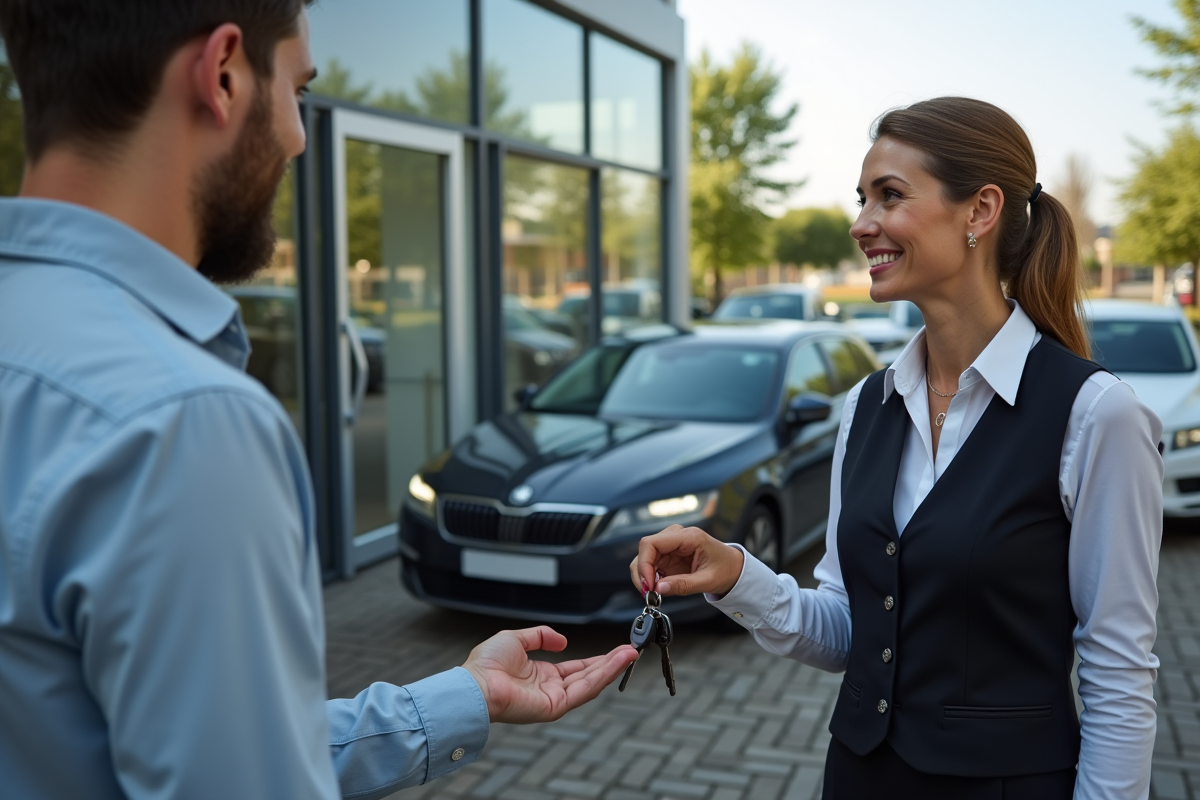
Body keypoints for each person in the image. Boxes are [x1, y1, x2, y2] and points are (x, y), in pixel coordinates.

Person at [0, 2, 638, 798]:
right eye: (298, 89)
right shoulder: (184, 422)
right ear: (224, 73)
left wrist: (461, 699)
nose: (301, 136)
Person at [631, 97, 1162, 799]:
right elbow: (851, 630)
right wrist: (734, 573)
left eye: (889, 196)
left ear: (980, 212)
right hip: (858, 778)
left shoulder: (1097, 415)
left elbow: (1118, 674)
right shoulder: (867, 405)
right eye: (862, 199)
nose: (861, 225)